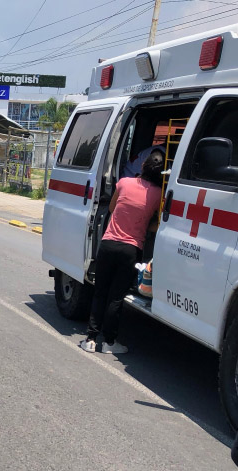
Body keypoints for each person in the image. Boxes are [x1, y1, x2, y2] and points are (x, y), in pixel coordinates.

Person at [81, 149, 165, 354]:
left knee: (100, 292)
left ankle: (90, 339)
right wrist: (145, 221)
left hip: (108, 244)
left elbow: (111, 208)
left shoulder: (124, 183)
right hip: (131, 250)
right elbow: (155, 225)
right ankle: (109, 343)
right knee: (116, 297)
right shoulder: (157, 194)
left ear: (143, 166)